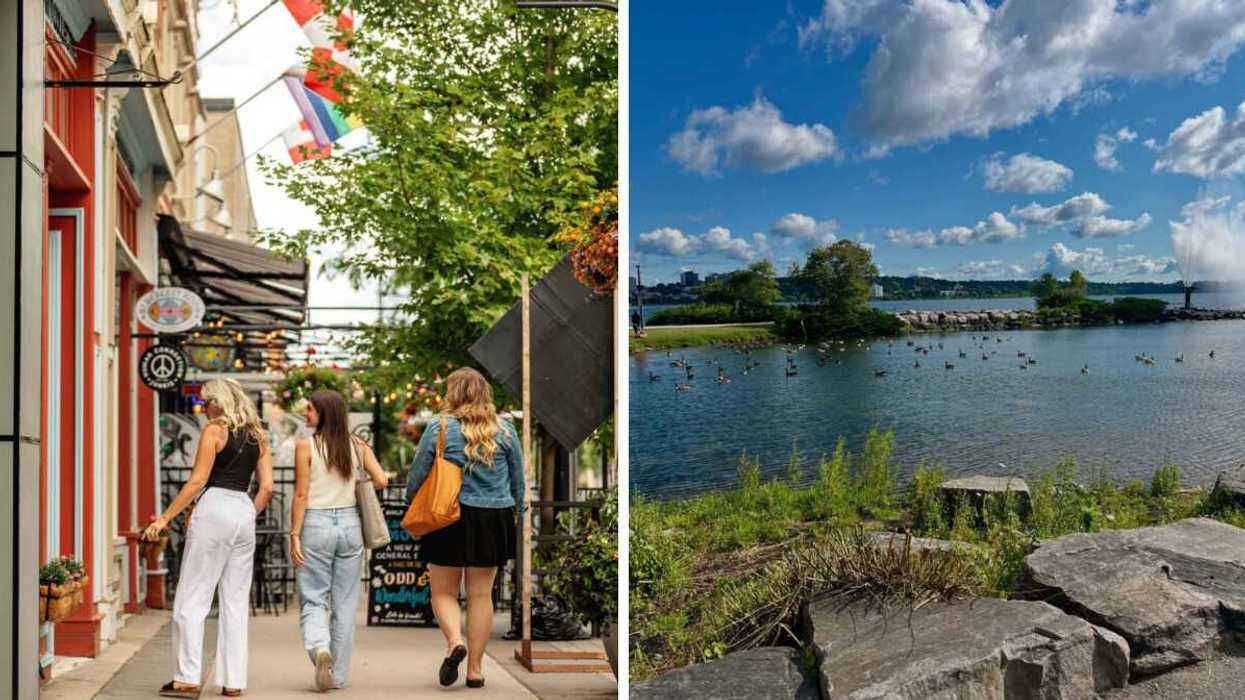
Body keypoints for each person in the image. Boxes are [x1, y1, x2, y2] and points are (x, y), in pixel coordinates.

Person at [148, 378, 274, 698]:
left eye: (207, 402)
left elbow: (197, 481)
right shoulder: (258, 435)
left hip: (214, 507)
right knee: (235, 600)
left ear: (220, 402)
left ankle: (187, 676)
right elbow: (267, 488)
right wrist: (246, 514)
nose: (203, 408)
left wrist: (164, 518)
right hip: (243, 510)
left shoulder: (214, 431)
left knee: (193, 595)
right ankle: (233, 681)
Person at [406, 367, 526, 689]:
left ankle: (454, 642)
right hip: (493, 517)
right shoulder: (505, 430)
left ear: (453, 393)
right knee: (480, 595)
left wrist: (411, 502)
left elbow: (418, 473)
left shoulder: (440, 426)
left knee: (443, 592)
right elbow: (518, 478)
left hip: (447, 515)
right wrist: (518, 511)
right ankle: (475, 670)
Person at [290, 390, 389, 692]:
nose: (306, 414)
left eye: (310, 409)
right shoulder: (357, 445)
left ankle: (320, 647)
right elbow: (382, 480)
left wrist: (294, 534)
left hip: (316, 525)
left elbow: (301, 495)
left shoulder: (306, 446)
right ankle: (338, 676)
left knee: (314, 597)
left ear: (323, 413)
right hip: (349, 525)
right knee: (345, 605)